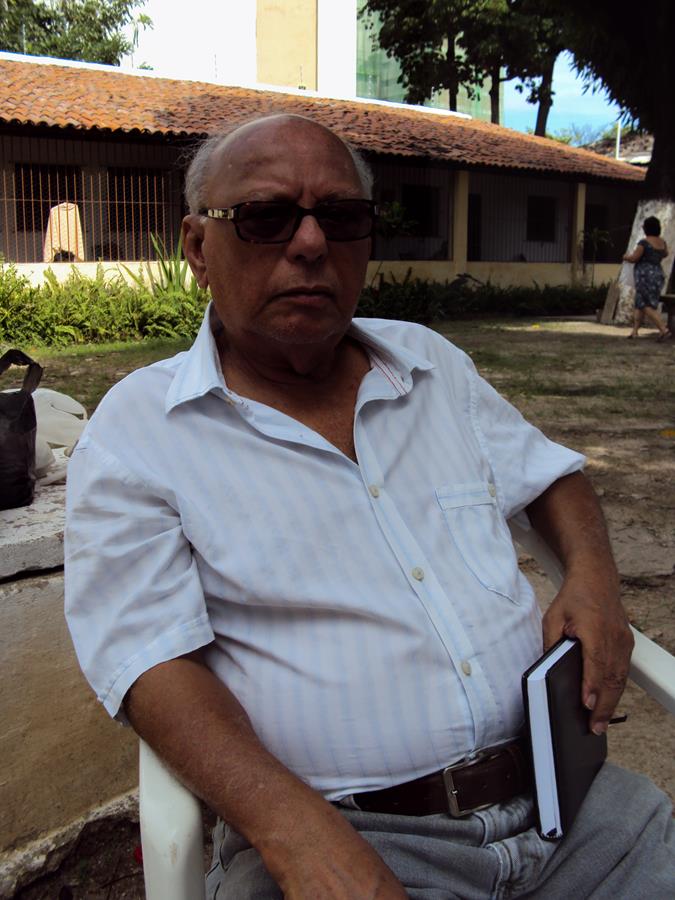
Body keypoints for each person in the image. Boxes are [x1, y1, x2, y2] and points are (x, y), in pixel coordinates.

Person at [64, 115, 675, 899]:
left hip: (575, 813)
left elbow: (550, 478)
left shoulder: (431, 365)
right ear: (196, 248)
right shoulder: (139, 430)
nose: (310, 243)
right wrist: (291, 831)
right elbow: (148, 659)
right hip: (351, 836)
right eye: (264, 216)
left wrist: (592, 579)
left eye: (341, 216)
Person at [623, 215, 671, 340]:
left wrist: (626, 257)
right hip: (658, 274)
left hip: (644, 276)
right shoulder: (662, 242)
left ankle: (663, 329)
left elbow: (634, 258)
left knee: (646, 304)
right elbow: (665, 254)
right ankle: (634, 331)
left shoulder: (643, 243)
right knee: (639, 302)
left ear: (647, 228)